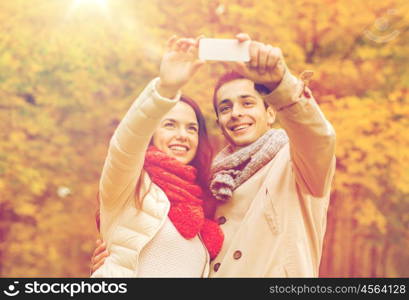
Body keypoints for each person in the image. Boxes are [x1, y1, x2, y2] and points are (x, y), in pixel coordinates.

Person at [91, 33, 336, 277]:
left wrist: (281, 85)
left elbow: (318, 139)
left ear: (271, 113)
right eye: (226, 108)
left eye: (247, 103)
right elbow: (126, 146)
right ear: (219, 122)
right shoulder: (211, 188)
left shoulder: (295, 163)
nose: (236, 113)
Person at [90, 35, 224, 277]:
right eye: (170, 125)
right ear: (151, 133)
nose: (183, 135)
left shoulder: (203, 205)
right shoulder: (129, 184)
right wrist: (166, 89)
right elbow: (125, 144)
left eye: (191, 128)